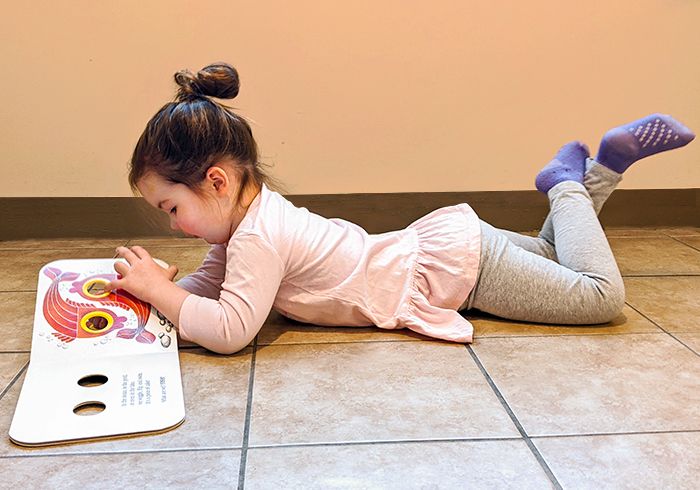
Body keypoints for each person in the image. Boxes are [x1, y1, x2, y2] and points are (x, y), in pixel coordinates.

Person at [105, 62, 695, 354]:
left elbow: (231, 330)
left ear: (214, 181)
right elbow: (212, 288)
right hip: (449, 248)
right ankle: (605, 168)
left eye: (170, 206)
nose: (170, 222)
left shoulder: (260, 238)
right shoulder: (248, 221)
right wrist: (157, 285)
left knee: (599, 297)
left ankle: (565, 184)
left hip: (459, 271)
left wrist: (162, 294)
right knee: (548, 252)